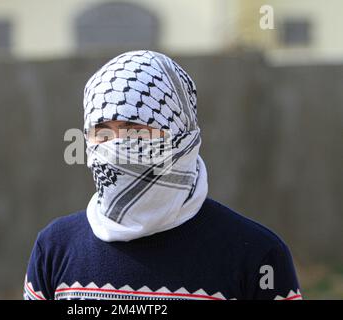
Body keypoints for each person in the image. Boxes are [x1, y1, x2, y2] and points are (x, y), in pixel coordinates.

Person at [23, 50, 302, 300]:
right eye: (102, 130)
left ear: (180, 135)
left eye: (134, 128)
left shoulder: (257, 256)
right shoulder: (54, 248)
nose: (115, 145)